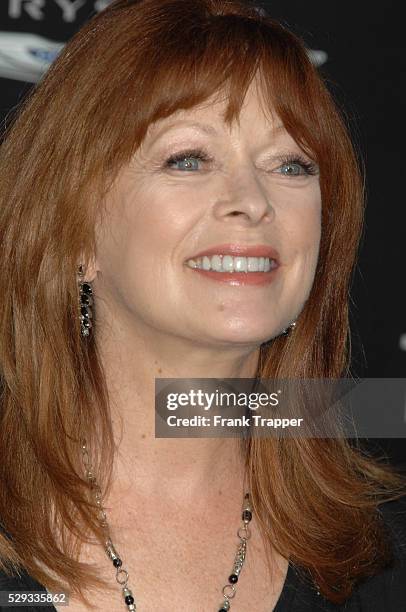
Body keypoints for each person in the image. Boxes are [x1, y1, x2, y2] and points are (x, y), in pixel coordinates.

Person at [0, 0, 405, 610]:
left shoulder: (382, 551)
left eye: (290, 165)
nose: (252, 201)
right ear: (76, 232)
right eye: (188, 159)